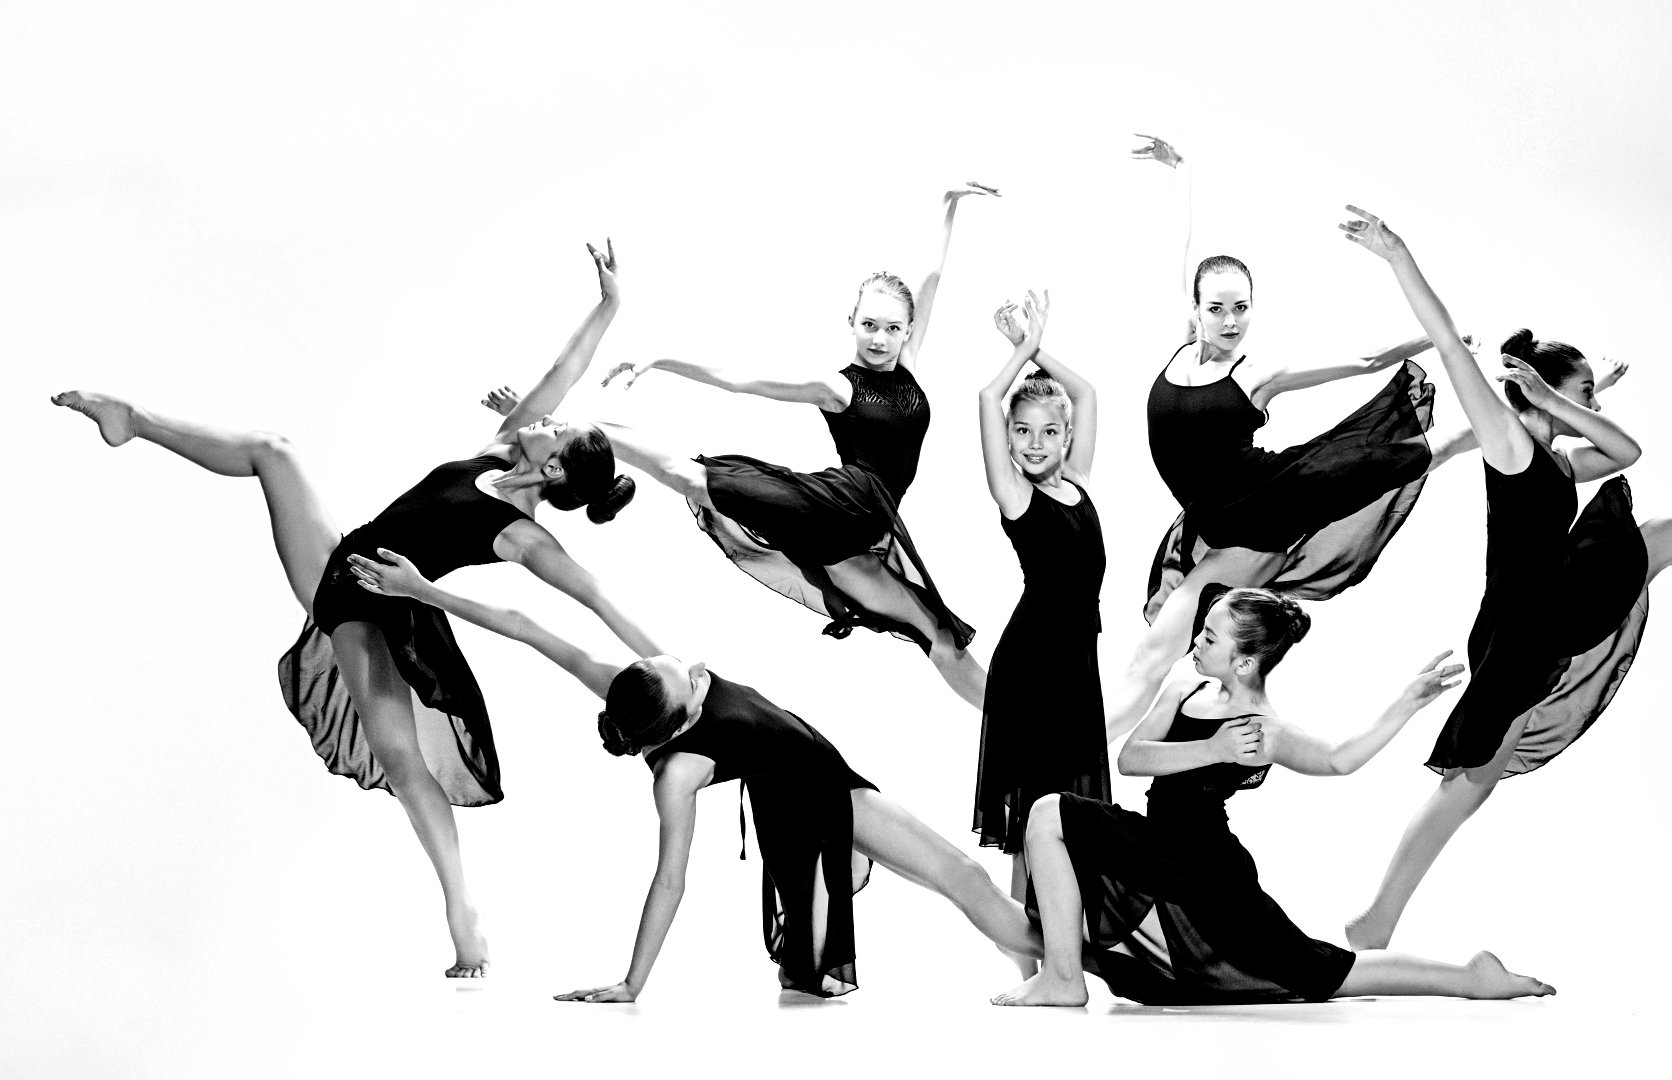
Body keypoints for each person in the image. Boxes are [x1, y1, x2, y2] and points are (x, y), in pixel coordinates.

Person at [51, 243, 655, 976]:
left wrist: (662, 658)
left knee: (404, 762)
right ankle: (132, 418)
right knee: (276, 449)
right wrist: (610, 305)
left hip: (380, 604)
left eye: (555, 428)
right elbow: (566, 368)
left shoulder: (523, 536)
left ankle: (463, 913)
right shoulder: (503, 450)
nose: (546, 417)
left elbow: (595, 595)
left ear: (554, 468)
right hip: (343, 557)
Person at [1337, 205, 1672, 950]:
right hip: (1529, 621)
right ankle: (1379, 917)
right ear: (1542, 394)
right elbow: (1448, 345)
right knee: (1471, 777)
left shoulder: (1559, 458)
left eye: (1590, 393)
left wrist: (1570, 401)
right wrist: (1397, 254)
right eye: (1582, 390)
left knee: (1669, 537)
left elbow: (1625, 450)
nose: (1591, 402)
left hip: (1550, 600)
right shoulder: (1506, 443)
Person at [345, 545, 1044, 1002]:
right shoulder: (677, 772)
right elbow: (670, 879)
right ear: (679, 724)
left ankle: (1034, 966)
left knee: (929, 896)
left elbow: (526, 625)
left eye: (665, 664)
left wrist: (424, 590)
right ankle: (1079, 958)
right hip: (818, 799)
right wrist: (632, 983)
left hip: (809, 779)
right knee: (961, 875)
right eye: (691, 682)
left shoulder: (629, 684)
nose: (694, 664)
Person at [995, 586, 1554, 1006]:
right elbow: (1132, 757)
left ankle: (1472, 978)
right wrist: (1214, 747)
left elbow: (1339, 758)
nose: (1195, 643)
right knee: (1048, 816)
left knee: (1325, 972)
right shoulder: (1185, 684)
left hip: (1207, 872)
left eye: (1209, 638)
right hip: (1155, 844)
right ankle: (1062, 977)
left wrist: (1406, 703)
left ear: (1244, 661)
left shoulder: (1263, 726)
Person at [578, 182, 1002, 706]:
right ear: (851, 323)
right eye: (868, 325)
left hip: (861, 535)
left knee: (936, 634)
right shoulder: (838, 386)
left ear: (908, 329)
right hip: (839, 504)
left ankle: (1019, 732)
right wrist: (661, 358)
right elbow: (742, 378)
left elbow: (932, 278)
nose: (878, 338)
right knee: (697, 478)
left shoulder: (908, 365)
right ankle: (579, 431)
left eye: (892, 328)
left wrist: (948, 203)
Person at [1107, 135, 1440, 738]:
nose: (1231, 321)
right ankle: (1109, 748)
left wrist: (1437, 336)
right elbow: (1178, 250)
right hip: (1207, 519)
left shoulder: (1256, 374)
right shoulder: (1175, 345)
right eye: (1217, 309)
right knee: (1162, 656)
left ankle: (1080, 752)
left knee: (1152, 656)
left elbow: (1364, 360)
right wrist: (1181, 172)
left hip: (1257, 514)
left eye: (1242, 308)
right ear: (1196, 307)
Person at [972, 291, 1109, 978]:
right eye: (1019, 431)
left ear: (1063, 436)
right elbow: (982, 401)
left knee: (1071, 819)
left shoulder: (1078, 485)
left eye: (1044, 432)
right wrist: (1019, 354)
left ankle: (1059, 951)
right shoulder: (1016, 498)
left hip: (1076, 673)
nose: (1030, 443)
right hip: (1032, 672)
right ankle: (1034, 964)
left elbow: (1083, 391)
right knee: (1034, 822)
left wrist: (1037, 345)